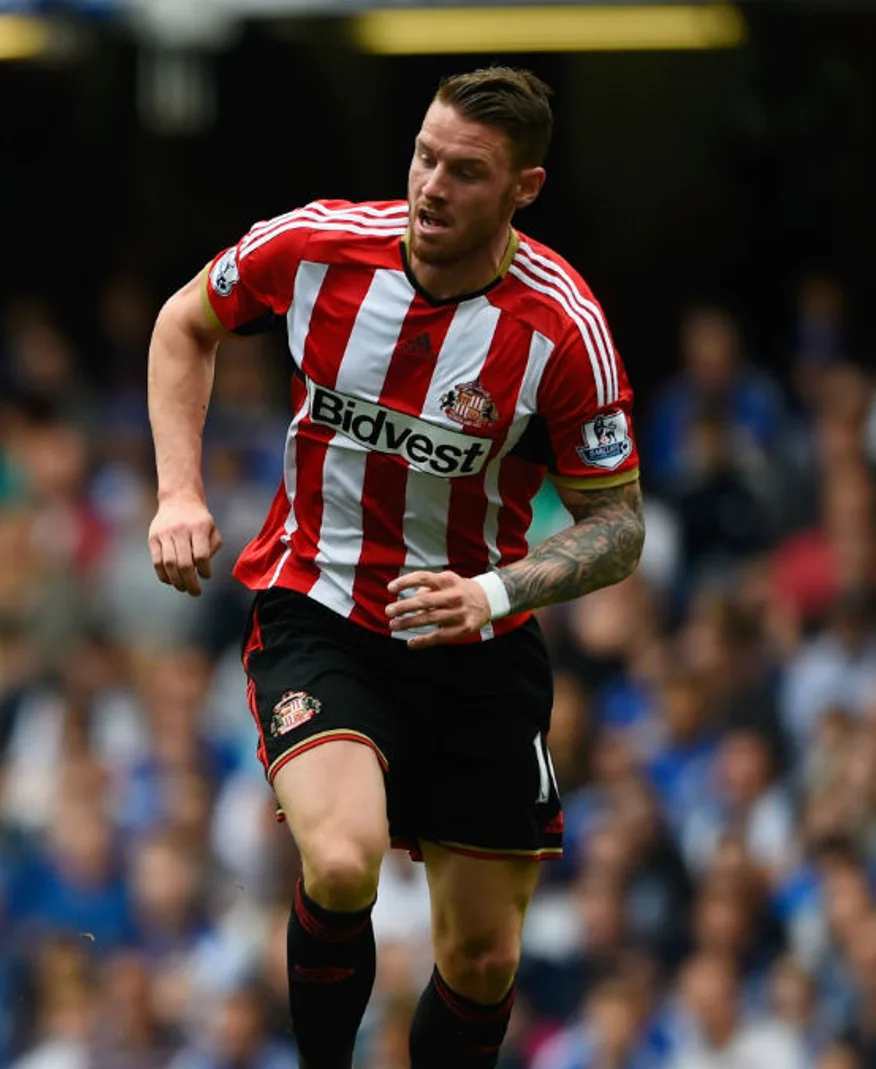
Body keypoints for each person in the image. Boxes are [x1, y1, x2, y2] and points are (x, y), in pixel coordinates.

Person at [146, 68, 645, 1068]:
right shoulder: (319, 245)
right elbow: (182, 323)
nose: (430, 186)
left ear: (523, 188)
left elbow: (619, 524)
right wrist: (178, 491)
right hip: (319, 607)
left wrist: (493, 592)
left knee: (480, 958)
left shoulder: (560, 329)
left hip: (475, 638)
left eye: (465, 172)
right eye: (424, 156)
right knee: (339, 859)